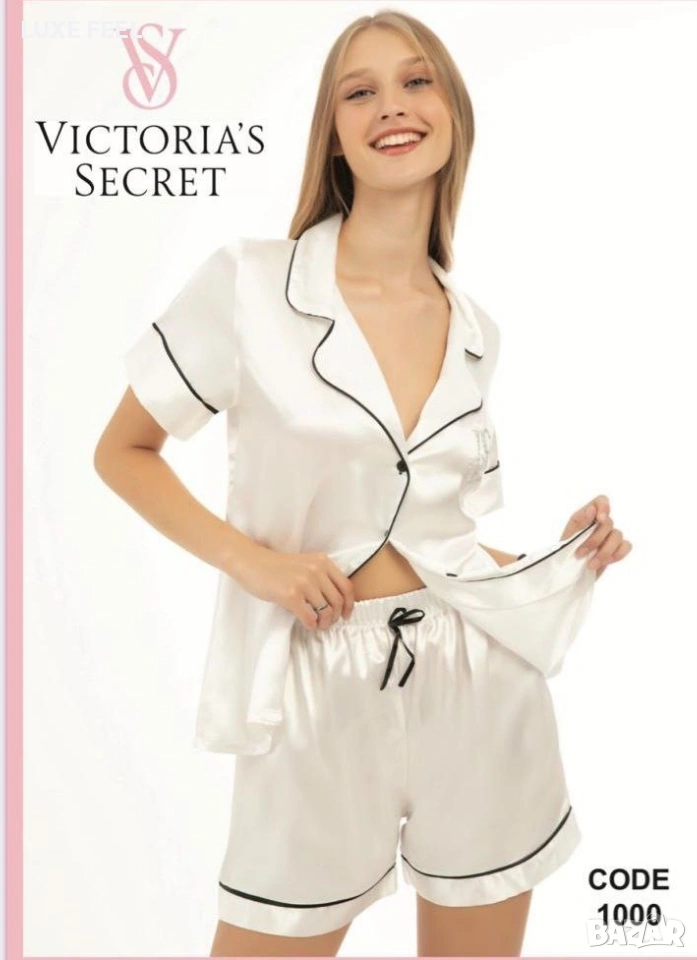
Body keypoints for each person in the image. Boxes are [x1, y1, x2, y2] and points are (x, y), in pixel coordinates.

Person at [94, 10, 632, 958]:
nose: (392, 105)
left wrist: (559, 557)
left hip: (481, 686)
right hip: (312, 681)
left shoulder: (475, 330)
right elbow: (123, 452)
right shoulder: (249, 285)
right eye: (360, 90)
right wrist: (258, 564)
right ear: (334, 134)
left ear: (452, 113)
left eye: (416, 81)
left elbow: (435, 537)